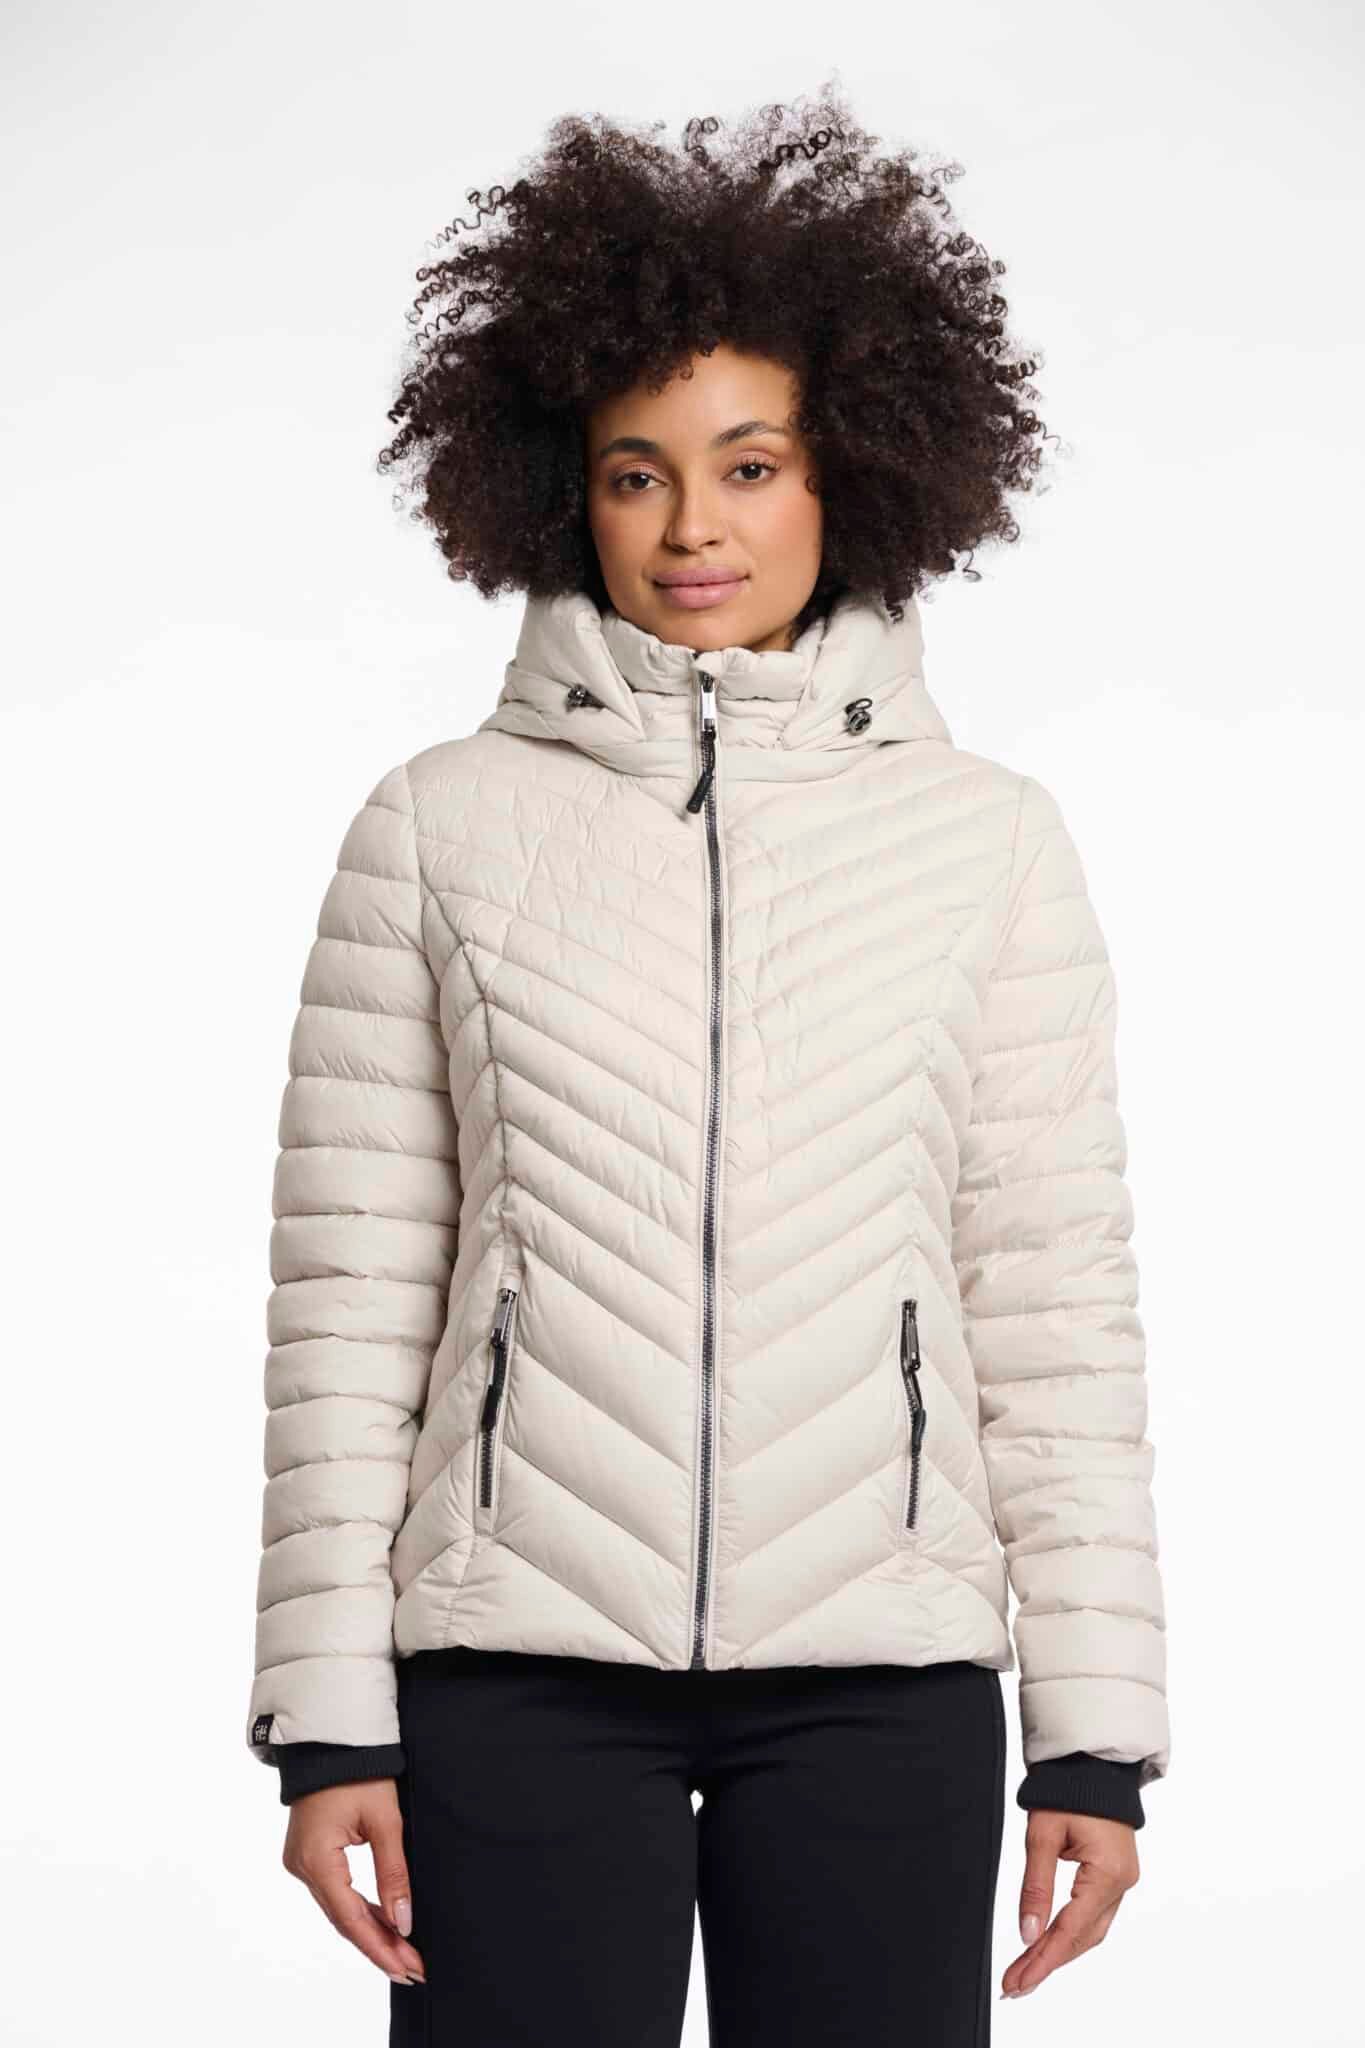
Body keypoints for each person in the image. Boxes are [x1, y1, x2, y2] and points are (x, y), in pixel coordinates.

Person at [245, 82, 1170, 2046]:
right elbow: (350, 1297)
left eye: (750, 466)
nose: (692, 528)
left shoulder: (985, 840)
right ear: (553, 492)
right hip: (509, 1660)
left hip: (880, 1663)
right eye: (634, 472)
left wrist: (1092, 1736)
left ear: (853, 477)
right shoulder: (437, 824)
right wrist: (325, 1718)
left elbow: (1048, 1296)